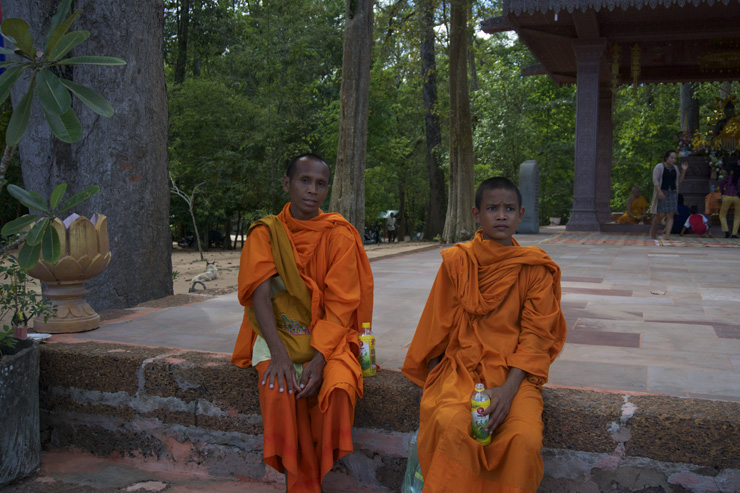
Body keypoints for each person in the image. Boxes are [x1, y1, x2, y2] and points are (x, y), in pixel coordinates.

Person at [402, 177, 567, 492]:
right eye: (492, 208)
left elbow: (536, 337)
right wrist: (437, 386)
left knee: (525, 440)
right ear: (477, 214)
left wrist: (507, 391)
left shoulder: (534, 268)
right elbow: (438, 326)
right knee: (448, 423)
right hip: (462, 368)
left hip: (515, 374)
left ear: (521, 214)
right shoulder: (459, 262)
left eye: (508, 209)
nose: (501, 216)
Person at [231, 154, 374, 493]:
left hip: (328, 336)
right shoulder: (265, 233)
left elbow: (341, 305)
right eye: (304, 181)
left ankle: (311, 479)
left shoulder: (339, 234)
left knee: (338, 390)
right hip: (276, 332)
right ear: (287, 184)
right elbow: (260, 298)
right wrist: (279, 356)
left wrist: (320, 358)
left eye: (320, 184)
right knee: (277, 389)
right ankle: (303, 483)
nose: (312, 190)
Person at [649, 150, 689, 240]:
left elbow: (679, 180)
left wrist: (684, 170)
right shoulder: (659, 167)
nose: (673, 160)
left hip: (672, 193)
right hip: (662, 192)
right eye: (671, 158)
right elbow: (655, 180)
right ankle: (653, 228)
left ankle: (667, 235)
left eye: (674, 158)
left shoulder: (675, 168)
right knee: (660, 214)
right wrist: (659, 192)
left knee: (670, 215)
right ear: (666, 158)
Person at [719, 163, 740, 238]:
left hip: (727, 196)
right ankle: (734, 233)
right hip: (737, 197)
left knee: (722, 215)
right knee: (737, 216)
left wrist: (722, 192)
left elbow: (721, 184)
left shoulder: (730, 177)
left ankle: (726, 231)